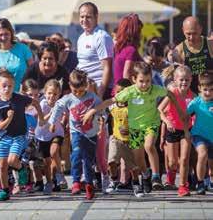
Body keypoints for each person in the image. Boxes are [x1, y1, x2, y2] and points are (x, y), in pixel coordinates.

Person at [83, 63, 189, 194]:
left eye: (148, 81)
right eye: (141, 81)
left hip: (151, 124)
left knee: (149, 146)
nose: (145, 85)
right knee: (138, 158)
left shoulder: (155, 89)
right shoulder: (130, 91)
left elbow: (171, 94)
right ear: (134, 79)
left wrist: (179, 110)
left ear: (151, 79)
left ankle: (156, 176)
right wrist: (92, 111)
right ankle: (145, 175)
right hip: (135, 128)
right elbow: (110, 101)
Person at [48, 69, 103, 200]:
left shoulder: (92, 97)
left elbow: (102, 109)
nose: (78, 94)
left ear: (86, 86)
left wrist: (101, 119)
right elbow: (58, 107)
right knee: (76, 154)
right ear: (70, 85)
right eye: (75, 91)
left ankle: (89, 184)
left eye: (81, 91)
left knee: (88, 160)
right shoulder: (68, 98)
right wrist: (52, 122)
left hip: (91, 133)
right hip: (76, 132)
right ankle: (76, 181)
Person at [0, 71, 44, 201]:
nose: (7, 89)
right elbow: (1, 126)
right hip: (4, 136)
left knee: (11, 161)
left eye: (10, 86)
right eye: (4, 86)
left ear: (14, 86)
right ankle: (4, 190)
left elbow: (35, 103)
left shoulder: (20, 99)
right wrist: (9, 118)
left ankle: (22, 169)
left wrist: (41, 118)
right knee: (2, 165)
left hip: (19, 135)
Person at [158, 66, 194, 196]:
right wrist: (167, 122)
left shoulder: (193, 96)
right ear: (175, 80)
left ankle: (183, 186)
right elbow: (160, 109)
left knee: (184, 159)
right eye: (181, 80)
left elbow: (195, 113)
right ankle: (171, 176)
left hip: (186, 130)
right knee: (173, 162)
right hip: (172, 129)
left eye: (187, 80)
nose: (184, 82)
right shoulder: (172, 93)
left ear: (191, 80)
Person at [105, 78, 144, 197]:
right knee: (111, 160)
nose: (119, 95)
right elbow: (104, 115)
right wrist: (101, 120)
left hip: (130, 140)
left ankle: (136, 184)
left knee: (133, 166)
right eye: (117, 92)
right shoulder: (112, 106)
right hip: (116, 138)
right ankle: (114, 181)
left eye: (123, 93)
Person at [76, 2, 114, 98]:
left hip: (98, 90)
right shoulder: (81, 37)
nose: (84, 20)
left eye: (88, 17)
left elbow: (107, 68)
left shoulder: (101, 37)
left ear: (96, 17)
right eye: (82, 17)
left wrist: (100, 95)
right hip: (83, 90)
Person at [35, 79, 66, 195]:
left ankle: (59, 174)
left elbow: (65, 114)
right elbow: (41, 121)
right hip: (43, 135)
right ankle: (49, 182)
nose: (52, 96)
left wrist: (63, 121)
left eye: (55, 94)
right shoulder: (42, 104)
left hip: (57, 133)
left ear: (59, 94)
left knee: (54, 152)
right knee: (47, 162)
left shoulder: (60, 104)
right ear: (45, 93)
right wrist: (52, 113)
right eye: (49, 93)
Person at [0, 18, 33, 92]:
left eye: (6, 34)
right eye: (0, 35)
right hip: (0, 97)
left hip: (21, 95)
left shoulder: (23, 49)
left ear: (11, 33)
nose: (3, 37)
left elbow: (32, 73)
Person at [186, 72, 213, 195]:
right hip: (199, 135)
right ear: (199, 88)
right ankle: (200, 183)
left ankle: (209, 180)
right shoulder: (196, 102)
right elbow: (184, 116)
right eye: (205, 89)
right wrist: (185, 131)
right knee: (202, 154)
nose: (208, 93)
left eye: (211, 90)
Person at [174, 16, 213, 92]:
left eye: (195, 33)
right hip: (192, 95)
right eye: (188, 34)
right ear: (183, 30)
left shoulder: (210, 44)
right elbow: (177, 79)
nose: (191, 37)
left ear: (201, 29)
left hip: (210, 93)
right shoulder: (179, 50)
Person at [113, 13, 143, 85]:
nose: (141, 34)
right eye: (139, 30)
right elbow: (127, 75)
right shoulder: (131, 50)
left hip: (117, 90)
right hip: (127, 92)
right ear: (134, 32)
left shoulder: (118, 48)